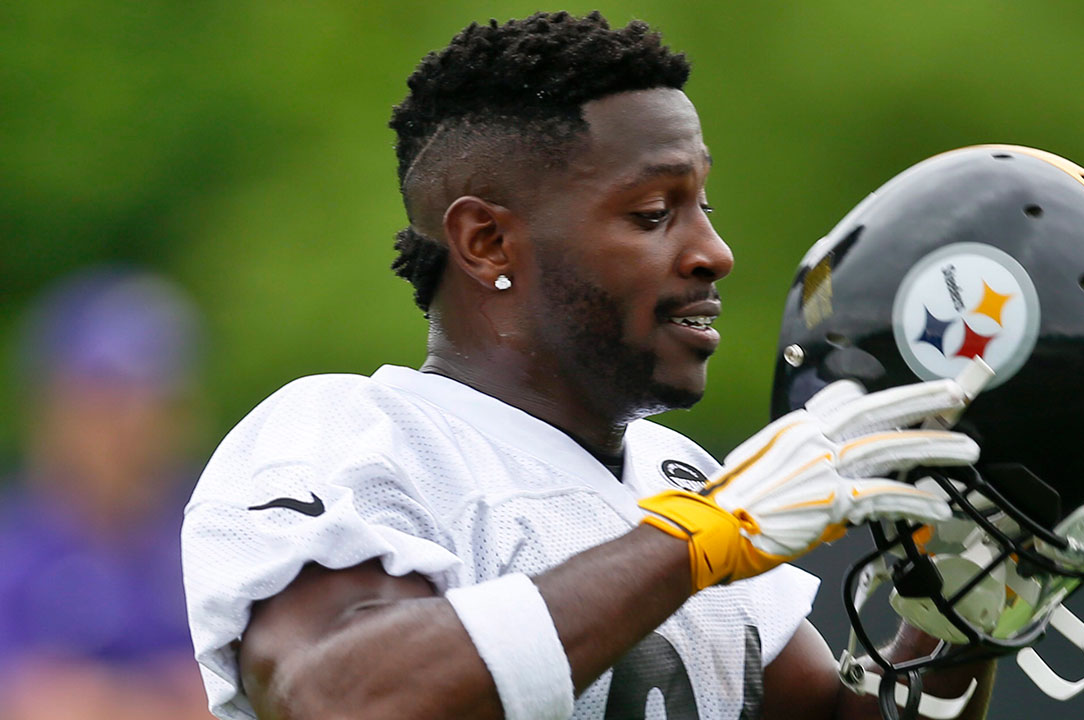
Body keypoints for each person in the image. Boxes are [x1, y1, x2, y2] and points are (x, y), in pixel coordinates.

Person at [181, 12, 996, 720]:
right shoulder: (349, 433)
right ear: (487, 242)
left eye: (703, 204)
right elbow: (340, 698)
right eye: (654, 212)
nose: (714, 252)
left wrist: (967, 604)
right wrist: (698, 539)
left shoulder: (679, 476)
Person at [0, 267, 210, 720]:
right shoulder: (14, 552)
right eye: (109, 400)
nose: (133, 425)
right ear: (50, 406)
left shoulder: (216, 535)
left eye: (155, 401)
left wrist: (101, 697)